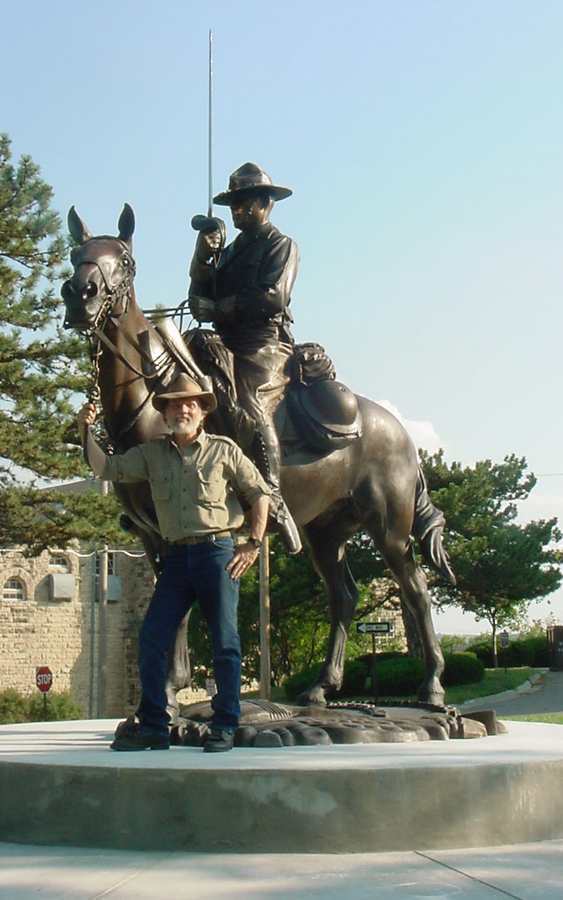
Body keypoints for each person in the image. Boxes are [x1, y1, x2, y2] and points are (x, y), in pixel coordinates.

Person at [78, 373, 271, 752]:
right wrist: (85, 431)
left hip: (218, 552)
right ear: (164, 413)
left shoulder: (224, 449)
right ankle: (154, 725)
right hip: (176, 558)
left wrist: (252, 543)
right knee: (152, 637)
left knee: (225, 641)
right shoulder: (152, 453)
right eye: (175, 404)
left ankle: (225, 724)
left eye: (190, 404)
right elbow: (107, 470)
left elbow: (259, 493)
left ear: (201, 413)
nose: (183, 408)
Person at [188, 162, 302, 556]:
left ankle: (273, 500)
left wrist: (220, 307)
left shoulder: (281, 245)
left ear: (264, 203)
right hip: (226, 340)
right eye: (232, 204)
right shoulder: (229, 252)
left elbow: (274, 296)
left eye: (243, 203)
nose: (236, 210)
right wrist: (203, 256)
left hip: (263, 344)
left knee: (250, 404)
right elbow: (199, 294)